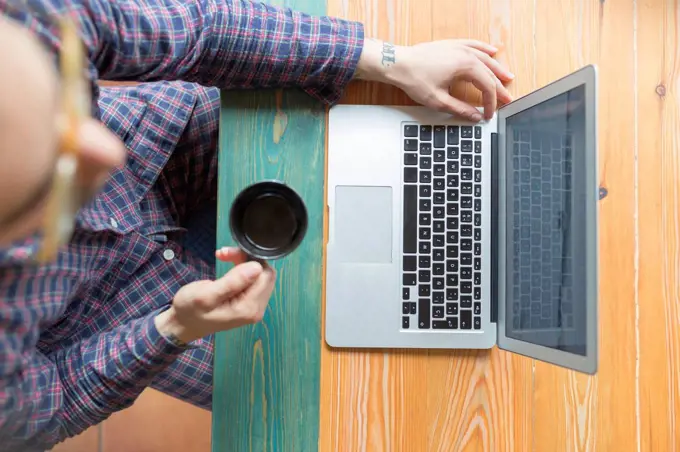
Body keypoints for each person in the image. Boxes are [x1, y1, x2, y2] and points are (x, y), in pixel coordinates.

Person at [0, 0, 514, 450]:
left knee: (375, 125)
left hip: (167, 146)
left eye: (69, 104)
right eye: (56, 176)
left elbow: (203, 32)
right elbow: (53, 407)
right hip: (133, 314)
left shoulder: (31, 18)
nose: (107, 150)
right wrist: (173, 329)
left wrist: (390, 60)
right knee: (331, 397)